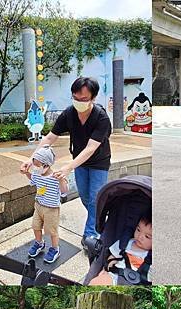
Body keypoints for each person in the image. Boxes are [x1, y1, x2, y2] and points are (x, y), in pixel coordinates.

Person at [20, 77, 112, 250]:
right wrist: (31, 160)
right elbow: (50, 137)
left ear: (93, 98)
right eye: (75, 98)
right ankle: (100, 219)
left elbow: (91, 148)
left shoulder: (101, 118)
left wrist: (69, 166)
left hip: (99, 162)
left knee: (94, 199)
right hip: (80, 161)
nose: (79, 102)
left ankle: (90, 235)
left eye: (83, 99)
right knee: (85, 197)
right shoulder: (69, 113)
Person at [20, 146, 68, 264]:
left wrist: (61, 180)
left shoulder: (55, 177)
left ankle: (55, 249)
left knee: (51, 231)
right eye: (34, 165)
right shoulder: (37, 174)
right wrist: (27, 173)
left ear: (46, 165)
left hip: (51, 209)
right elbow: (33, 180)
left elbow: (64, 191)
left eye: (37, 166)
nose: (35, 168)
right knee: (35, 226)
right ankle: (39, 243)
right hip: (39, 206)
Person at [89, 216, 152, 285]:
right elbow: (112, 256)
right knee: (96, 282)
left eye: (147, 236)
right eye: (138, 230)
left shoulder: (150, 257)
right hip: (116, 275)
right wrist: (107, 268)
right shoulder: (125, 243)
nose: (140, 236)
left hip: (136, 282)